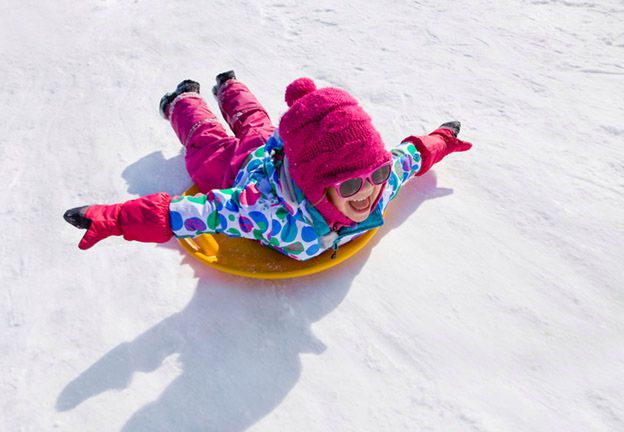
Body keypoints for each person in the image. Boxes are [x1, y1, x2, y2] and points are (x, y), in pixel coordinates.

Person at [64, 71, 472, 261]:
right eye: (349, 186)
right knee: (206, 142)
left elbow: (409, 156)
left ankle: (230, 87)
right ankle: (181, 101)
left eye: (377, 174)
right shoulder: (267, 213)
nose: (368, 192)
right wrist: (118, 217)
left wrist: (443, 139)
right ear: (317, 187)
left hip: (277, 146)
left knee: (257, 123)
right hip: (237, 169)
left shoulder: (380, 180)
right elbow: (193, 213)